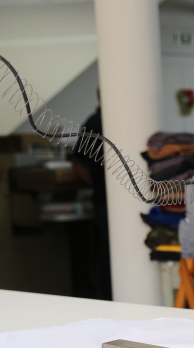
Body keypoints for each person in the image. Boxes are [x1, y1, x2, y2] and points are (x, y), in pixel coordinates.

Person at [72, 103, 112, 300]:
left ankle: (108, 298)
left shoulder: (95, 122)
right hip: (107, 200)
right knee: (111, 254)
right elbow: (78, 163)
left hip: (105, 198)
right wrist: (100, 184)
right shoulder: (100, 122)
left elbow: (78, 162)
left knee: (109, 253)